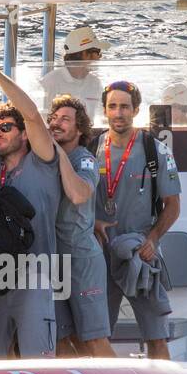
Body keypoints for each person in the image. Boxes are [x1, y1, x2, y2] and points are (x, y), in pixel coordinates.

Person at [0, 40, 65, 359]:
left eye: (7, 128)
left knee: (39, 362)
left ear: (24, 133)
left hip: (36, 276)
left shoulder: (41, 162)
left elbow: (31, 113)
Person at [93, 81, 182, 360]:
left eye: (124, 106)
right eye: (112, 106)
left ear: (136, 110)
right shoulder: (92, 148)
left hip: (140, 254)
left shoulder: (155, 150)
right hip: (101, 254)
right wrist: (93, 223)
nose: (118, 113)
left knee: (157, 336)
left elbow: (173, 206)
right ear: (105, 110)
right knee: (96, 336)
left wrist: (152, 240)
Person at [48, 95, 113, 358]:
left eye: (65, 119)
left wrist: (59, 153)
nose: (56, 124)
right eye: (53, 119)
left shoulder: (84, 160)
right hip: (53, 260)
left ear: (80, 129)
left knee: (94, 340)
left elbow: (78, 195)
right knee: (63, 338)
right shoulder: (46, 158)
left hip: (81, 260)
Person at [41, 26, 108, 119]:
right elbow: (43, 119)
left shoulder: (95, 82)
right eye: (98, 52)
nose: (100, 57)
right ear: (85, 54)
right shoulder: (51, 81)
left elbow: (102, 117)